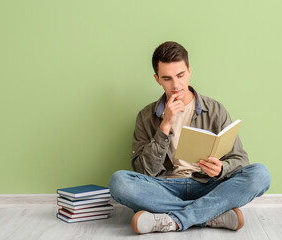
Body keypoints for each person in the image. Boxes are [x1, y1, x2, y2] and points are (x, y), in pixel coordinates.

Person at [109, 41, 271, 234]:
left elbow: (240, 159)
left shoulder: (215, 110)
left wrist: (220, 170)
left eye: (180, 75)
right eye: (167, 78)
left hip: (208, 186)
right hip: (165, 186)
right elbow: (143, 171)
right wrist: (165, 125)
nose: (176, 85)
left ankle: (173, 220)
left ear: (189, 71)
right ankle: (210, 215)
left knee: (260, 174)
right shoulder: (145, 116)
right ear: (157, 79)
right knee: (118, 182)